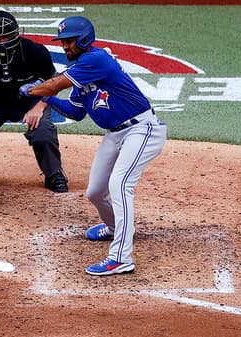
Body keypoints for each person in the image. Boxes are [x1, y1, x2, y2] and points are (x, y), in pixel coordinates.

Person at [22, 15, 168, 276]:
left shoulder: (95, 59)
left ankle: (121, 257)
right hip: (115, 134)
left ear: (85, 39)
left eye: (70, 42)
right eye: (63, 42)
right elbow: (76, 112)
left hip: (141, 129)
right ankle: (113, 226)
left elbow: (55, 84)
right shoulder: (82, 72)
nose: (65, 47)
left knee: (120, 184)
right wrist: (50, 99)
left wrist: (36, 91)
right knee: (95, 192)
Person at [0, 9, 69, 193]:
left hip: (33, 99)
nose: (2, 42)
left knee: (43, 132)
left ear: (16, 34)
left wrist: (39, 107)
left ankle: (54, 174)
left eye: (6, 37)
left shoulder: (35, 51)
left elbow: (53, 83)